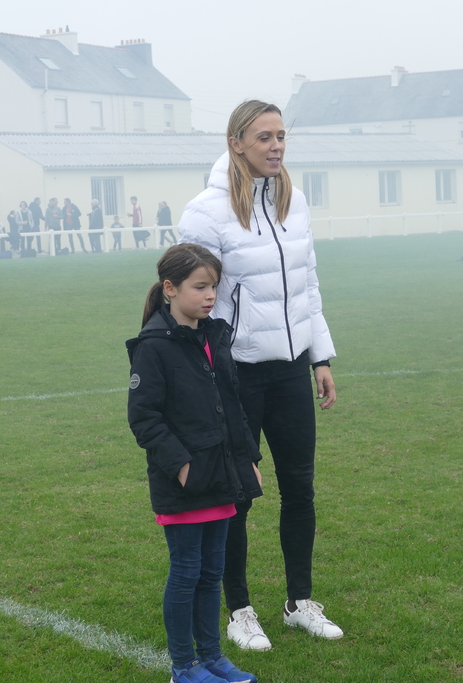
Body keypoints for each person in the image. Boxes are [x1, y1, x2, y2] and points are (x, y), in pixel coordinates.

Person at [179, 100, 341, 651]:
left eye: (281, 136)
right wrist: (203, 373)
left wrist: (319, 357)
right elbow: (193, 298)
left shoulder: (296, 202)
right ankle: (240, 611)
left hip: (291, 371)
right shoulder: (205, 212)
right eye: (264, 137)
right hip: (236, 376)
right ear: (237, 143)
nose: (276, 146)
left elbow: (308, 285)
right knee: (238, 496)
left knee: (300, 488)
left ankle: (300, 603)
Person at [127, 243, 263, 683]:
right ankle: (183, 667)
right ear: (170, 288)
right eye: (199, 287)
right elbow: (144, 419)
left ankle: (213, 657)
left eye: (214, 287)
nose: (209, 296)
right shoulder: (153, 346)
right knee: (187, 572)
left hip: (223, 475)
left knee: (211, 572)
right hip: (184, 483)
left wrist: (248, 459)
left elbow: (233, 406)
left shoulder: (215, 336)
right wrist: (183, 467)